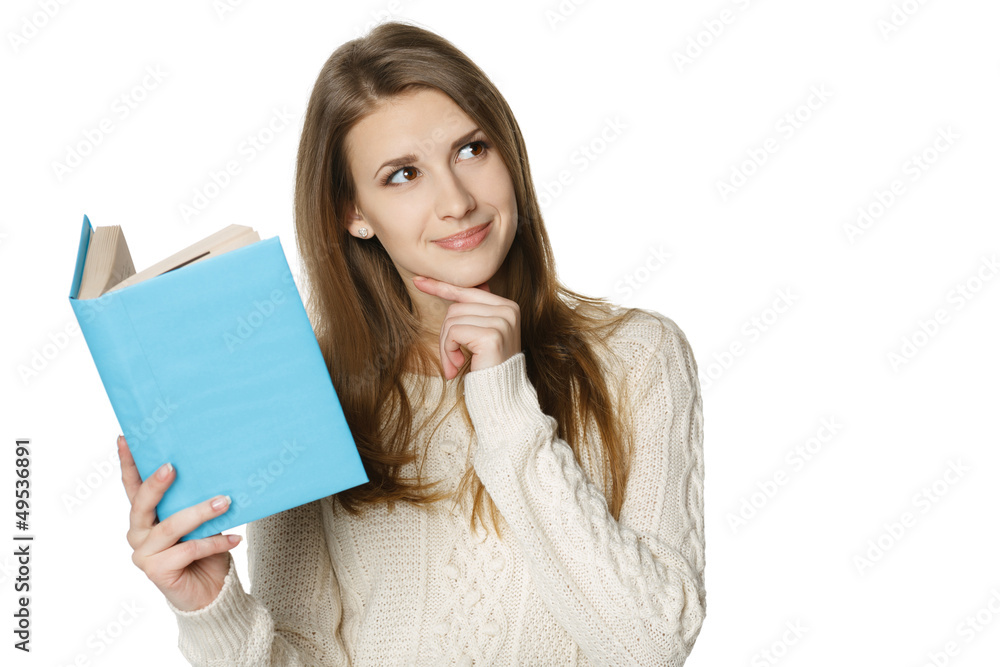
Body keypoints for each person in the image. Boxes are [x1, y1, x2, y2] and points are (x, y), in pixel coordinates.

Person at [118, 19, 706, 667]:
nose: (456, 200)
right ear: (354, 213)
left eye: (472, 148)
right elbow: (306, 653)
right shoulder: (312, 392)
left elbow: (652, 645)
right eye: (403, 174)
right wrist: (211, 609)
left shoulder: (638, 356)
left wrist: (505, 401)